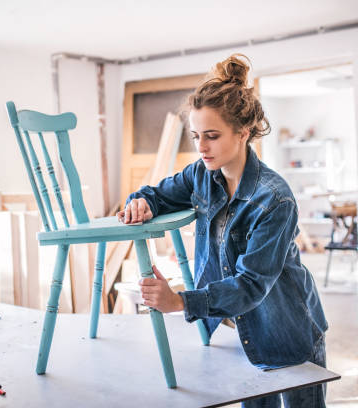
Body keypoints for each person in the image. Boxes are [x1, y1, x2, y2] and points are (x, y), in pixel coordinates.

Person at [117, 54, 328, 407]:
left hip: (288, 332)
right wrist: (141, 202)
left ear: (243, 133)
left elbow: (250, 286)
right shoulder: (200, 174)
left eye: (212, 137)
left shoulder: (274, 200)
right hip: (241, 335)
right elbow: (158, 193)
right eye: (196, 136)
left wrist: (179, 301)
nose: (201, 147)